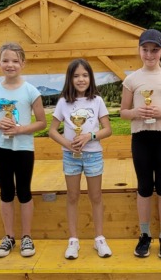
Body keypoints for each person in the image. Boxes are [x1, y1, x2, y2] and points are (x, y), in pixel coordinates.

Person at [120, 29, 161, 260]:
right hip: (141, 137)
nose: (149, 54)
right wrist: (136, 112)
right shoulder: (131, 79)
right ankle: (145, 234)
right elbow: (123, 112)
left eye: (154, 50)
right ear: (139, 50)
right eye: (145, 49)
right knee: (144, 186)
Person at [0, 42, 46, 259]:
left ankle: (27, 236)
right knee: (6, 192)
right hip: (0, 148)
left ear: (23, 63)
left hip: (24, 148)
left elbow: (42, 122)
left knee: (24, 191)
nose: (10, 65)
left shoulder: (31, 91)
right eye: (6, 60)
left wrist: (20, 129)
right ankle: (9, 237)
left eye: (15, 61)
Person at [48, 59, 113, 259]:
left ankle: (99, 239)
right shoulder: (63, 102)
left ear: (90, 78)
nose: (81, 79)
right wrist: (68, 144)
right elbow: (52, 131)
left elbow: (107, 129)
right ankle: (73, 240)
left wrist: (89, 136)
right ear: (70, 79)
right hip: (71, 156)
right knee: (72, 196)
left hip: (93, 155)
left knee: (96, 196)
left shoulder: (97, 101)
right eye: (76, 76)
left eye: (85, 75)